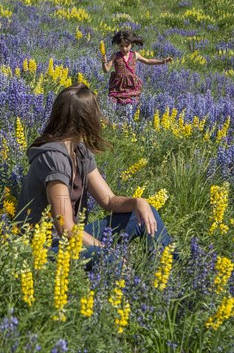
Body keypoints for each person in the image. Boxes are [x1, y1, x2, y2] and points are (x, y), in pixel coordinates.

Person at [15, 84, 174, 266]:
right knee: (110, 259)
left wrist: (138, 202)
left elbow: (108, 200)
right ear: (85, 120)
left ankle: (165, 269)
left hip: (70, 239)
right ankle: (135, 289)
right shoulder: (53, 159)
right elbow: (65, 226)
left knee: (144, 214)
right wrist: (104, 249)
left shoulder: (79, 151)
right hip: (43, 248)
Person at [101, 29, 173, 106]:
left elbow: (148, 61)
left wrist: (162, 61)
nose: (124, 48)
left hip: (130, 85)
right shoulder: (115, 56)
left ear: (131, 45)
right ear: (118, 45)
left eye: (126, 46)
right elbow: (106, 70)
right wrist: (104, 62)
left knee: (130, 106)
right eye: (121, 46)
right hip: (117, 86)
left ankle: (129, 117)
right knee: (112, 105)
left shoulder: (135, 54)